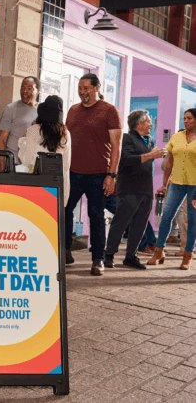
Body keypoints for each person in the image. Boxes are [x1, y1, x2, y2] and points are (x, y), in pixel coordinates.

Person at [64, 73, 122, 276]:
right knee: (63, 210)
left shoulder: (109, 111)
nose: (82, 92)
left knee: (96, 216)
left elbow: (116, 145)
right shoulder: (72, 111)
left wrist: (111, 175)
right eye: (80, 88)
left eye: (86, 88)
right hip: (72, 172)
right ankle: (65, 250)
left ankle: (98, 259)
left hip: (98, 174)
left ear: (96, 88)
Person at [103, 110, 165, 270]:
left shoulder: (150, 140)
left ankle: (131, 256)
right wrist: (151, 155)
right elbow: (126, 160)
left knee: (140, 225)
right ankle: (108, 255)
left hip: (146, 189)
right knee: (120, 223)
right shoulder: (127, 138)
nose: (151, 125)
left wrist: (153, 155)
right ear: (140, 124)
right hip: (129, 189)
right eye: (149, 121)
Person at [148, 108, 196, 270]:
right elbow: (169, 162)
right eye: (185, 118)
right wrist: (164, 184)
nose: (186, 121)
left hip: (195, 186)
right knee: (166, 216)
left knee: (192, 221)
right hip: (176, 183)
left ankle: (187, 255)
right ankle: (159, 251)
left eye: (190, 118)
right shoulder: (177, 137)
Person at [18, 95, 71, 205]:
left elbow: (26, 161)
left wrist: (23, 140)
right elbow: (65, 167)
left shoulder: (33, 130)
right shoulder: (65, 134)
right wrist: (64, 197)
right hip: (55, 189)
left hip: (35, 186)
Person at [0, 76, 40, 170]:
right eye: (23, 88)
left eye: (29, 88)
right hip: (13, 164)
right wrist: (1, 168)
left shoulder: (42, 111)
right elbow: (1, 140)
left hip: (33, 166)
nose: (25, 91)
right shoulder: (11, 109)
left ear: (38, 91)